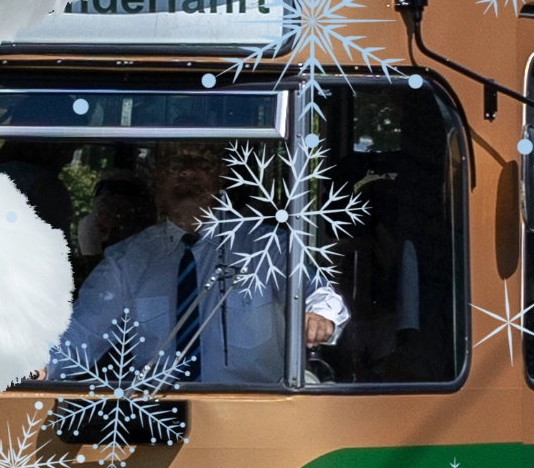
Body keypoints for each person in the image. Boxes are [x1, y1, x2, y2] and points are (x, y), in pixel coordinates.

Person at [54, 142, 344, 384]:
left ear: (222, 172)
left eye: (201, 162)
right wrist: (40, 365)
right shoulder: (127, 261)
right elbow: (80, 334)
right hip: (157, 424)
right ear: (156, 173)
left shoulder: (269, 246)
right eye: (174, 162)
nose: (188, 172)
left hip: (254, 419)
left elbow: (320, 296)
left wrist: (319, 317)